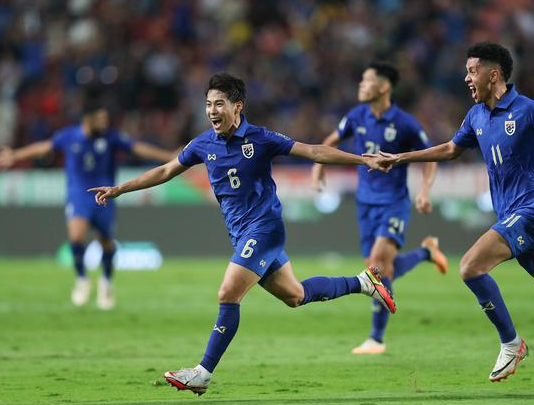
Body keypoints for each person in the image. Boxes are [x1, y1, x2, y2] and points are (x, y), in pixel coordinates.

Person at [88, 72, 396, 396]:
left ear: (238, 106)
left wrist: (363, 160)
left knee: (228, 293)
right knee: (295, 296)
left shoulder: (260, 138)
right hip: (241, 234)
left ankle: (202, 373)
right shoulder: (202, 144)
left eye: (219, 103)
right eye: (208, 104)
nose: (212, 111)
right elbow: (166, 170)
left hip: (264, 229)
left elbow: (313, 151)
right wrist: (119, 189)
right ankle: (363, 283)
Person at [368, 42, 534, 395]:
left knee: (470, 267)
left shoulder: (529, 111)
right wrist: (400, 158)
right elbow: (451, 149)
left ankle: (511, 343)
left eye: (472, 71)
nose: (467, 78)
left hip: (533, 211)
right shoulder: (476, 116)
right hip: (512, 215)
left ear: (493, 74)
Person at [312, 61, 448, 355]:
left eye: (367, 80)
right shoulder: (356, 116)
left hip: (393, 203)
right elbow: (331, 141)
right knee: (381, 270)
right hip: (365, 204)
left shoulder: (405, 123)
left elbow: (431, 157)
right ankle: (426, 252)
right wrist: (318, 167)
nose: (361, 85)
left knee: (376, 266)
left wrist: (424, 190)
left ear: (384, 87)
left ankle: (376, 338)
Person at [0, 101, 175, 310]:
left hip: (104, 195)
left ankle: (106, 281)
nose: (104, 122)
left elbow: (139, 148)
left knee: (106, 243)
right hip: (78, 196)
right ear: (88, 119)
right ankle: (82, 278)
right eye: (100, 119)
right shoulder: (69, 136)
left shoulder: (111, 137)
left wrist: (168, 157)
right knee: (76, 236)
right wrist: (15, 155)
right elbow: (43, 147)